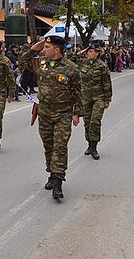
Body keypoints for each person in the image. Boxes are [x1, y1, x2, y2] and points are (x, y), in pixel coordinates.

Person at [18, 36, 83, 199]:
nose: (44, 50)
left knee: (60, 146)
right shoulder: (40, 63)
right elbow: (21, 61)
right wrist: (34, 47)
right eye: (44, 47)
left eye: (47, 47)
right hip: (44, 112)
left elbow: (78, 92)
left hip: (63, 113)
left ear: (57, 49)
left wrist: (77, 113)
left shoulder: (72, 69)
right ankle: (52, 174)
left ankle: (58, 182)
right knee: (48, 145)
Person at [69, 42, 112, 160]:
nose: (88, 53)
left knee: (95, 121)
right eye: (88, 51)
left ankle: (94, 147)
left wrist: (107, 99)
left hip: (99, 97)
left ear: (97, 53)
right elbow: (70, 59)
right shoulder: (83, 63)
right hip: (85, 97)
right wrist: (81, 52)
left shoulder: (102, 66)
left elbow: (107, 83)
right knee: (87, 122)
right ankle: (89, 144)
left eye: (91, 51)